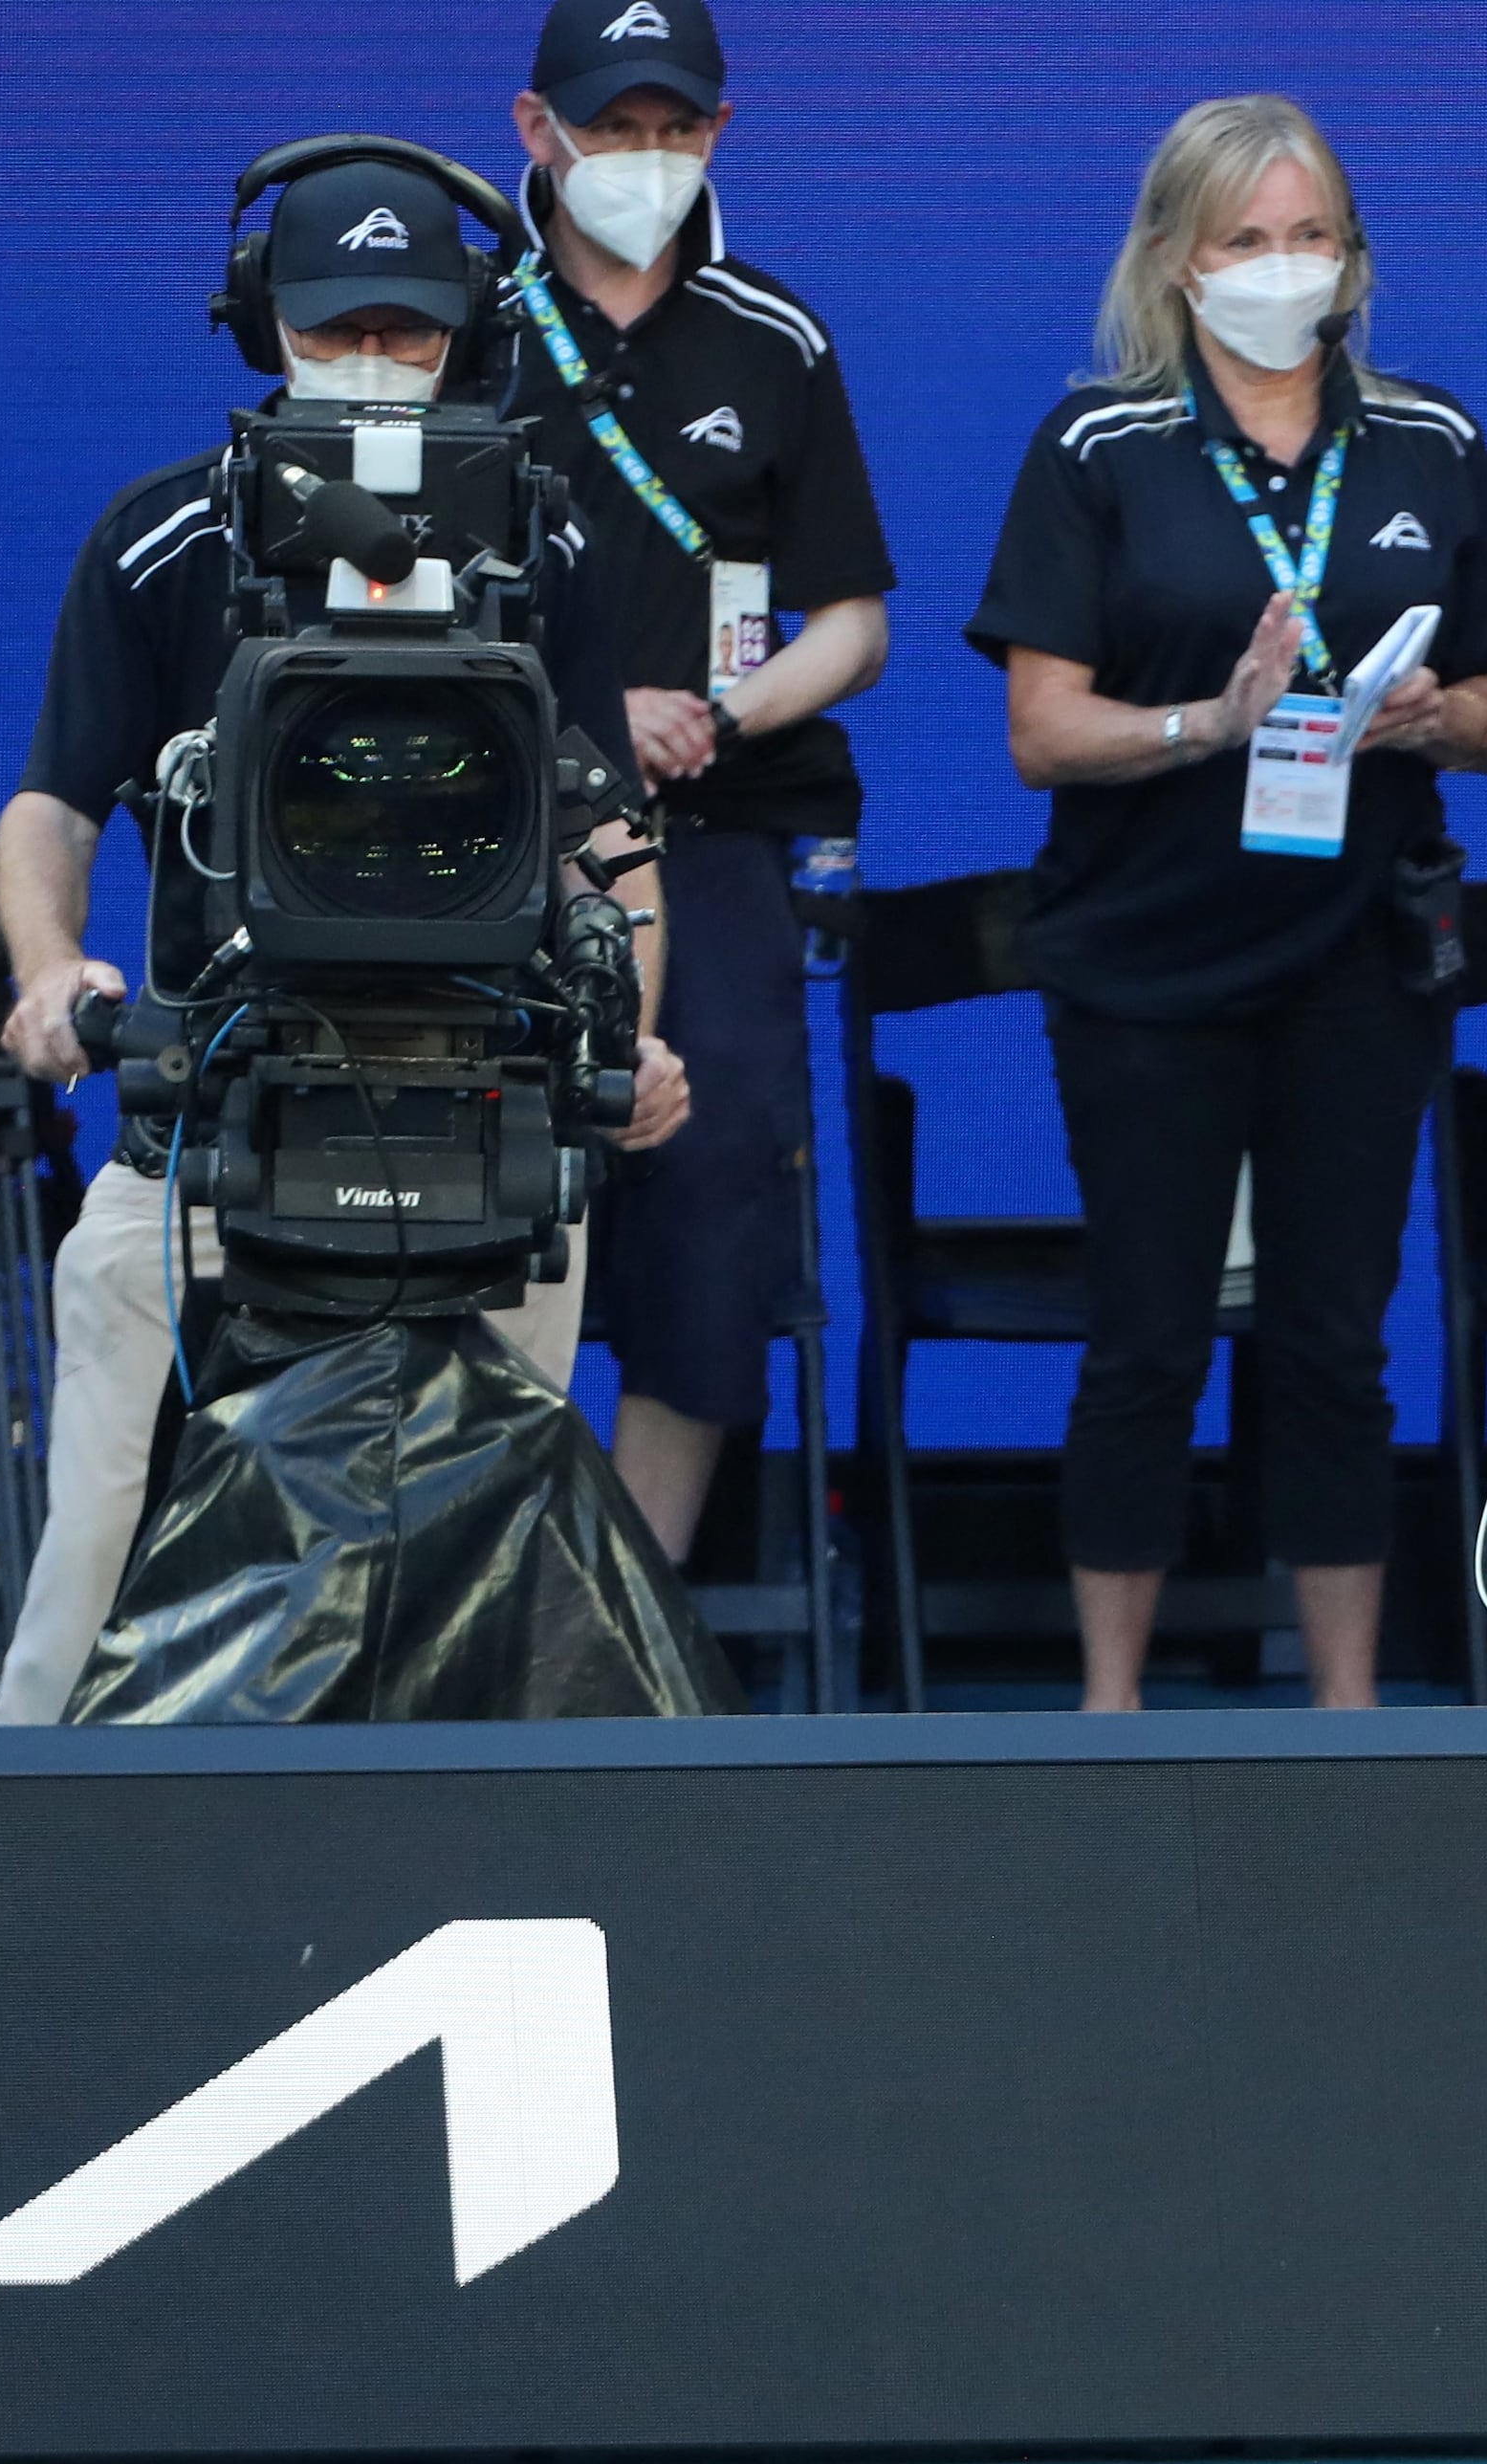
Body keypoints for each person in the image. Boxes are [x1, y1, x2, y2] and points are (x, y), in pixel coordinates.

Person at [0, 149, 686, 1727]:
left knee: (497, 1591)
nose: (373, 365)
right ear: (263, 325)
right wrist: (49, 970)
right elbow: (50, 803)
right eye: (335, 327)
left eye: (409, 330)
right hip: (207, 1135)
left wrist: (626, 1023)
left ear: (466, 333)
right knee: (91, 1566)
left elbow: (611, 834)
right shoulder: (161, 541)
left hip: (488, 1121)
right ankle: (8, 1881)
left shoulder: (547, 554)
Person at [970, 96, 1487, 1711]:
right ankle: (1110, 1709)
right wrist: (1208, 724)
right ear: (1175, 259)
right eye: (1249, 243)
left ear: (1355, 259)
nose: (1288, 271)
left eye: (1314, 239)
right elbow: (1037, 731)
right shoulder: (1100, 448)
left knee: (1332, 1343)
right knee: (1147, 1338)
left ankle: (1347, 1710)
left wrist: (1432, 717)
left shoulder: (1430, 440)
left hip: (1359, 955)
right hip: (1144, 962)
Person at [495, 0, 889, 1566]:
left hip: (720, 828)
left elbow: (853, 616)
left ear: (718, 133)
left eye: (678, 129)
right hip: (510, 829)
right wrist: (595, 714)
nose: (646, 161)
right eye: (615, 128)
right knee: (487, 1157)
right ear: (539, 129)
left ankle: (632, 1590)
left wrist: (724, 712)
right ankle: (489, 1567)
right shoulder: (463, 323)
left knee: (719, 1172)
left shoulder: (772, 335)